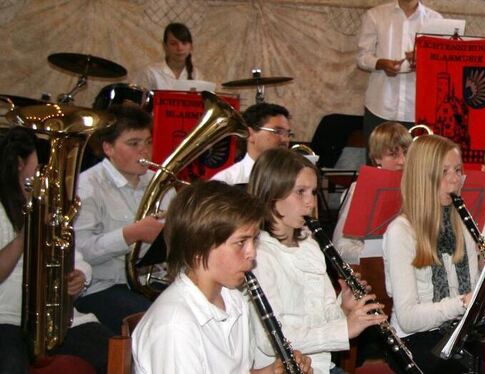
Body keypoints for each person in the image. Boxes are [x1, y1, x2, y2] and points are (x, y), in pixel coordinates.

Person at [132, 181, 313, 373]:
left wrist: (272, 371)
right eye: (241, 242)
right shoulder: (175, 327)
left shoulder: (232, 298)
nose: (252, 253)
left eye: (254, 239)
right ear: (198, 247)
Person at [247, 148, 387, 374]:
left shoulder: (310, 246)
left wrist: (344, 308)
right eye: (300, 192)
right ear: (272, 194)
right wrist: (344, 330)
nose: (310, 203)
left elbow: (321, 317)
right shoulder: (258, 255)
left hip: (324, 367)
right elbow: (268, 340)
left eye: (312, 192)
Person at [0, 126, 113, 374]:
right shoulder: (5, 208)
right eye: (38, 162)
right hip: (8, 318)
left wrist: (80, 275)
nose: (43, 170)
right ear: (20, 163)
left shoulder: (47, 202)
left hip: (57, 319)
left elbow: (73, 252)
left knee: (112, 353)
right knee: (11, 367)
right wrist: (25, 235)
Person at [74, 104, 176, 334]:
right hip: (102, 287)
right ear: (108, 148)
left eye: (148, 142)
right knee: (156, 324)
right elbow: (81, 251)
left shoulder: (160, 185)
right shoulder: (86, 187)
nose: (145, 152)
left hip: (151, 281)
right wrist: (132, 234)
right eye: (134, 144)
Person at [382, 135, 480, 372]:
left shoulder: (463, 225)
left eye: (457, 170)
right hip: (416, 340)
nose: (455, 179)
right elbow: (408, 318)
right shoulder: (401, 232)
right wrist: (462, 303)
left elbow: (475, 291)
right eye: (444, 171)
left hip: (457, 332)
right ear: (422, 178)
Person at [357, 0, 443, 141]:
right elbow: (362, 57)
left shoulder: (436, 20)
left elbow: (443, 63)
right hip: (380, 106)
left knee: (416, 162)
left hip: (417, 109)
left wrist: (424, 61)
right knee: (376, 162)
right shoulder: (375, 15)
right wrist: (380, 63)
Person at [332, 121, 411, 264]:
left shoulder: (415, 188)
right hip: (374, 270)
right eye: (393, 155)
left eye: (406, 153)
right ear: (377, 158)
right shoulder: (360, 189)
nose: (402, 161)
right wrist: (376, 254)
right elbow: (341, 247)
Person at [211, 102, 292, 185]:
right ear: (250, 134)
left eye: (288, 134)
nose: (285, 140)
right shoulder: (226, 181)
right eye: (278, 132)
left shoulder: (295, 175)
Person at [135, 23, 203, 90]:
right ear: (165, 46)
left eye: (184, 43)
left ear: (191, 47)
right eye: (173, 44)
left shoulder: (197, 75)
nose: (180, 48)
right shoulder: (150, 73)